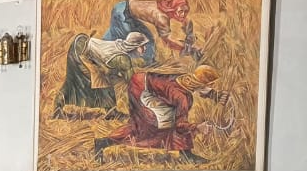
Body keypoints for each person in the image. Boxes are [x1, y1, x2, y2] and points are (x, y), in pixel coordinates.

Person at [92, 66, 229, 165]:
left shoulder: (186, 78)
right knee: (145, 127)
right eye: (210, 85)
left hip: (143, 80)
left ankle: (186, 154)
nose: (211, 87)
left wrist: (213, 94)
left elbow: (197, 86)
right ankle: (103, 143)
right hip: (140, 88)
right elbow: (180, 126)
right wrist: (197, 127)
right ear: (200, 84)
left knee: (167, 119)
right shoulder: (181, 98)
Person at [52, 31, 148, 119]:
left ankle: (111, 112)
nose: (145, 49)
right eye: (142, 46)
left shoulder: (121, 49)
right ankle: (111, 113)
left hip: (80, 45)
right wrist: (140, 106)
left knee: (76, 82)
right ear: (134, 45)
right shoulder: (124, 59)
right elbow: (132, 83)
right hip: (80, 50)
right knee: (84, 82)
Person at [103, 0, 191, 65]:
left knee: (147, 39)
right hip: (121, 12)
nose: (183, 14)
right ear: (173, 9)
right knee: (128, 41)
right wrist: (186, 48)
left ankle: (149, 62)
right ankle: (115, 62)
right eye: (180, 11)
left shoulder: (164, 7)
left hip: (127, 11)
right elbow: (168, 41)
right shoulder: (162, 18)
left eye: (186, 11)